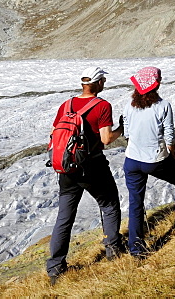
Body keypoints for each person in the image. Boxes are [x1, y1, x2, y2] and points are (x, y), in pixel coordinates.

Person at [46, 66, 125, 284]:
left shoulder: (67, 105)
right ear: (98, 83)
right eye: (104, 80)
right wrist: (121, 129)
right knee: (108, 204)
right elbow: (107, 139)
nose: (105, 83)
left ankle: (55, 268)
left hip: (66, 168)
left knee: (64, 217)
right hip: (91, 166)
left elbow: (54, 135)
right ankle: (113, 250)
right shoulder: (102, 106)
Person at [122, 66, 175, 258]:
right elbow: (169, 134)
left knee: (136, 202)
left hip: (132, 160)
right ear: (156, 84)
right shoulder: (163, 105)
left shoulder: (129, 105)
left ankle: (136, 249)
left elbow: (127, 133)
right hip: (154, 159)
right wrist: (172, 154)